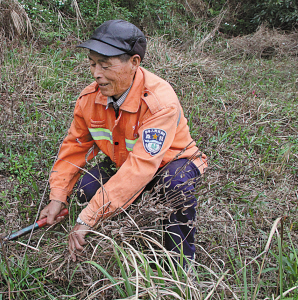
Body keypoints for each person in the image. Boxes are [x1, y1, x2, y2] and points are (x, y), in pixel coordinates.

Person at [39, 19, 207, 263]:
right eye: (93, 64)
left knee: (174, 186)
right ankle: (123, 227)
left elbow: (142, 166)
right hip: (124, 160)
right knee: (87, 190)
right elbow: (74, 148)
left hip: (171, 162)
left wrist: (88, 217)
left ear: (134, 63)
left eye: (106, 65)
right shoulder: (89, 99)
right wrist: (58, 197)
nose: (97, 74)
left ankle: (179, 265)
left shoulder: (159, 102)